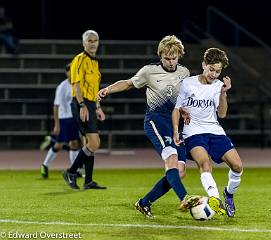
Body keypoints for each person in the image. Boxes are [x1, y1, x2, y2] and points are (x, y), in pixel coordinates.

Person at [98, 35, 203, 218]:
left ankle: (144, 203)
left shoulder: (184, 73)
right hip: (156, 120)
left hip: (174, 123)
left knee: (180, 171)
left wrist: (184, 110)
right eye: (167, 58)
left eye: (174, 57)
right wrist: (108, 89)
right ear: (160, 56)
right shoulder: (149, 71)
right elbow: (129, 84)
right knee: (170, 159)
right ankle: (184, 197)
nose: (171, 62)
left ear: (179, 55)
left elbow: (181, 99)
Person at [172, 47, 244, 217]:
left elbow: (222, 114)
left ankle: (228, 194)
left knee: (238, 166)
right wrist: (176, 130)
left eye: (218, 71)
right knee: (205, 164)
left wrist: (223, 94)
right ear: (204, 65)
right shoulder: (188, 83)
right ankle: (215, 199)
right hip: (193, 132)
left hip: (215, 131)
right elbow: (176, 109)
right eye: (211, 69)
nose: (214, 74)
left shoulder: (219, 86)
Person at [62, 30, 106, 190]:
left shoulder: (95, 62)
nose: (93, 43)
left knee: (90, 143)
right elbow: (76, 84)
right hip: (82, 103)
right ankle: (71, 171)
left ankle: (88, 181)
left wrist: (98, 107)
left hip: (91, 104)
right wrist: (82, 105)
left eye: (95, 40)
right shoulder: (79, 60)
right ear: (84, 43)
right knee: (94, 143)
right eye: (90, 40)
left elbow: (94, 88)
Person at [40, 63, 81, 179]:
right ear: (66, 72)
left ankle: (73, 169)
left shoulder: (77, 84)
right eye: (69, 71)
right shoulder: (62, 87)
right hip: (65, 119)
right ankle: (46, 165)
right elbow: (56, 106)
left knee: (70, 144)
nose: (71, 73)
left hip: (73, 118)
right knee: (64, 144)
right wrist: (57, 124)